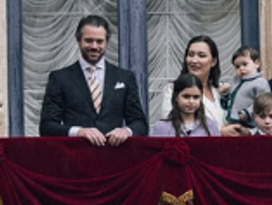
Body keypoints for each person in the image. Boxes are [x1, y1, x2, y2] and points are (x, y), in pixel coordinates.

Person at [39, 14, 148, 145]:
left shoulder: (125, 77)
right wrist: (78, 131)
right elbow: (46, 126)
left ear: (107, 42)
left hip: (115, 156)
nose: (94, 46)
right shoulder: (59, 78)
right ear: (78, 40)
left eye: (99, 41)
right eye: (89, 40)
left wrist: (127, 131)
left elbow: (140, 124)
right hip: (75, 157)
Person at [151, 35, 230, 129]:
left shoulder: (220, 90)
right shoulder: (172, 90)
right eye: (191, 55)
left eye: (201, 56)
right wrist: (220, 133)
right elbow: (172, 127)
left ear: (213, 61)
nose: (194, 60)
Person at [151, 73, 220, 137]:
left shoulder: (211, 126)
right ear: (176, 97)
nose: (191, 101)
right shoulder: (161, 127)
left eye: (196, 97)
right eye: (186, 96)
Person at [227, 46, 270, 127]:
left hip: (250, 123)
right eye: (237, 67)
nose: (241, 68)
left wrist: (247, 112)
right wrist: (225, 93)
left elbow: (263, 103)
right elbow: (232, 96)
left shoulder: (260, 82)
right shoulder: (236, 80)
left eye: (245, 64)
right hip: (233, 120)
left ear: (256, 63)